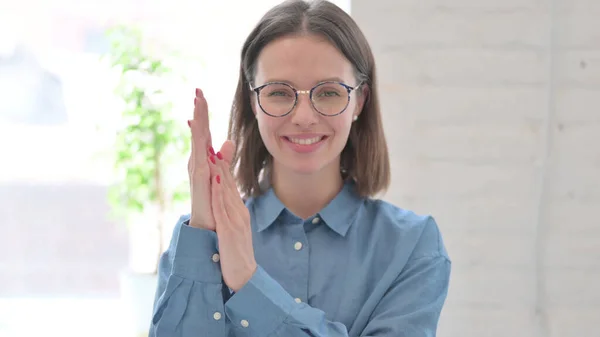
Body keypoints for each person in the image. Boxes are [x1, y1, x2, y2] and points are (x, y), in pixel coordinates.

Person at [149, 0, 451, 336]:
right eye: (278, 92)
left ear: (359, 101)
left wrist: (249, 281)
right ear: (253, 102)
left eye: (329, 93)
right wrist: (204, 234)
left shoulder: (411, 245)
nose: (304, 117)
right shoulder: (195, 241)